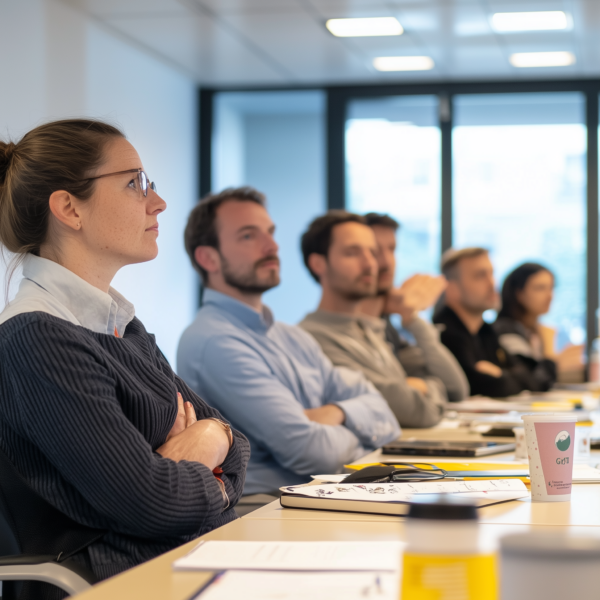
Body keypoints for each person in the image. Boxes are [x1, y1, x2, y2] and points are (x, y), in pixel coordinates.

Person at [0, 120, 249, 598]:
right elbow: (152, 505)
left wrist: (209, 436)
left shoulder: (121, 326)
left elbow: (236, 443)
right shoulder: (37, 338)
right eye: (135, 183)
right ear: (69, 208)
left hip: (183, 563)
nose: (157, 202)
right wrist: (212, 482)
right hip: (119, 581)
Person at [177, 189, 400, 497]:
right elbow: (312, 452)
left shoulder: (292, 336)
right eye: (248, 236)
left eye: (270, 233)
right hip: (266, 510)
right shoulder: (214, 341)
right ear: (208, 257)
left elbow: (385, 413)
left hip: (324, 497)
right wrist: (362, 433)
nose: (272, 246)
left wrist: (337, 412)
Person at [299, 211, 450, 428]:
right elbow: (413, 410)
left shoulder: (370, 330)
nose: (371, 264)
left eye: (372, 252)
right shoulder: (312, 338)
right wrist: (428, 389)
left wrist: (427, 388)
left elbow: (452, 388)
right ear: (318, 264)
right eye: (352, 253)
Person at [359, 212, 469, 403]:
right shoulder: (345, 332)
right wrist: (426, 388)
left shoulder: (386, 328)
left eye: (392, 249)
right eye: (374, 251)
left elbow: (456, 389)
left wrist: (411, 317)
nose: (386, 262)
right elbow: (396, 400)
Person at [433, 248, 553, 397]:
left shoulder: (485, 331)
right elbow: (484, 386)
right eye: (480, 276)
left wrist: (500, 374)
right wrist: (505, 376)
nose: (492, 283)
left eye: (492, 274)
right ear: (452, 288)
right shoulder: (444, 334)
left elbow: (532, 379)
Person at [494, 263, 583, 382]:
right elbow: (532, 380)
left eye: (551, 288)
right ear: (519, 293)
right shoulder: (506, 329)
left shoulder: (534, 331)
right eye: (540, 288)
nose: (550, 296)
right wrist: (552, 356)